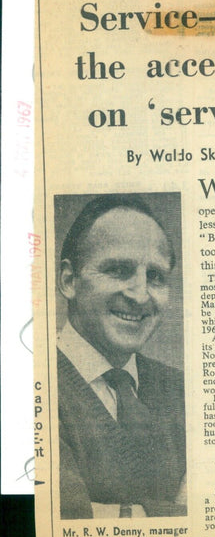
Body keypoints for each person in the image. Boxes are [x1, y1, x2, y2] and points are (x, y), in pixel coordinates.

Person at [56, 194, 186, 519]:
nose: (140, 295)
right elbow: (67, 518)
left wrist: (111, 512)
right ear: (69, 281)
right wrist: (176, 512)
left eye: (155, 277)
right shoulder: (34, 385)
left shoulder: (181, 389)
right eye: (118, 270)